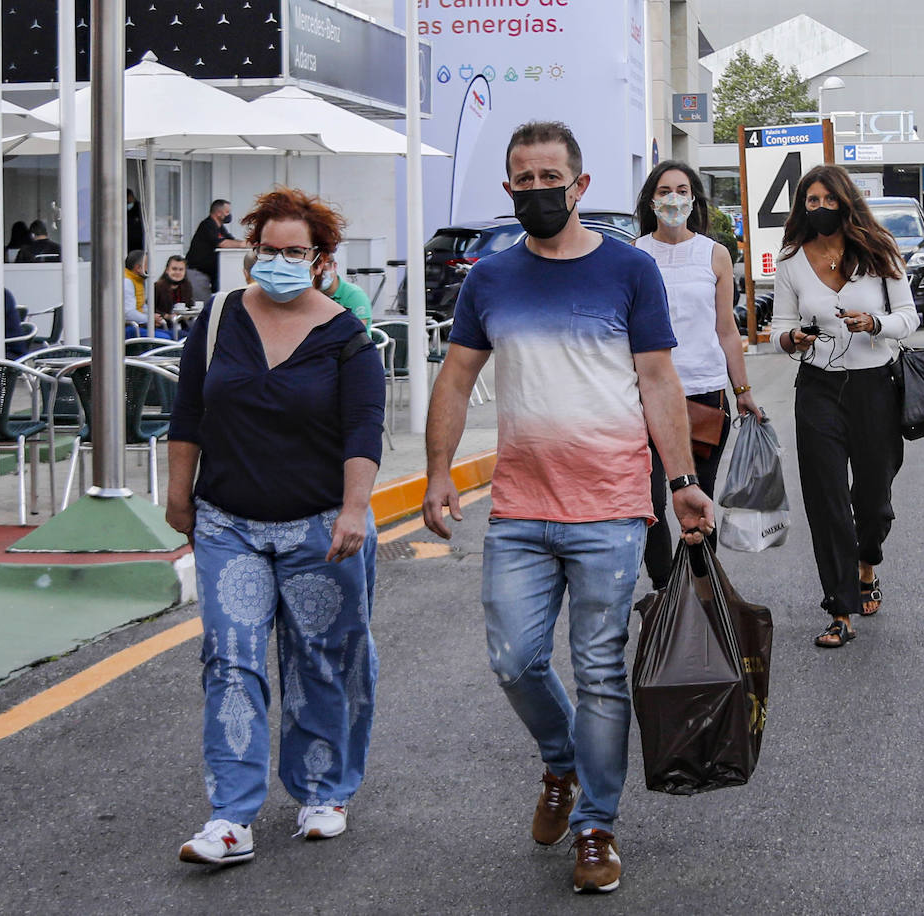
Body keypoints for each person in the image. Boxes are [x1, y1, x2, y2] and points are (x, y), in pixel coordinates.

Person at [421, 121, 713, 895]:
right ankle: (562, 764)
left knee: (598, 671)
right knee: (514, 659)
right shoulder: (490, 278)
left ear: (579, 187)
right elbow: (454, 379)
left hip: (611, 505)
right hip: (519, 504)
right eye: (524, 177)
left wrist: (681, 479)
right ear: (509, 188)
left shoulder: (628, 270)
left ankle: (596, 826)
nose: (537, 188)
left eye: (551, 176)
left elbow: (657, 379)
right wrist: (437, 470)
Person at [166, 187, 386, 867]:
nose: (282, 262)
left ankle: (323, 793)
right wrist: (180, 496)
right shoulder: (220, 316)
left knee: (321, 659)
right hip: (229, 521)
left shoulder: (347, 336)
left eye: (298, 252)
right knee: (230, 662)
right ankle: (230, 816)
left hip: (319, 526)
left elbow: (363, 429)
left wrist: (354, 509)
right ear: (251, 251)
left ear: (321, 260)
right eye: (271, 250)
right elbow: (188, 411)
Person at [772, 164, 920, 649]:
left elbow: (908, 317)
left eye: (827, 200)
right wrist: (792, 338)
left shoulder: (878, 251)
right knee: (826, 498)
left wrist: (875, 325)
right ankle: (840, 609)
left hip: (875, 386)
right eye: (810, 201)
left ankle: (867, 562)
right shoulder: (791, 259)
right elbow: (778, 328)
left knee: (873, 499)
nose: (819, 208)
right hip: (818, 388)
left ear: (845, 201)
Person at [632, 160, 764, 587]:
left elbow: (726, 329)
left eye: (682, 190)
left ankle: (700, 592)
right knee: (650, 501)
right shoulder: (636, 255)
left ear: (694, 199)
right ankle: (663, 591)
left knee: (697, 500)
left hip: (706, 396)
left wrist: (742, 389)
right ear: (652, 200)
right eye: (665, 190)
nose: (674, 199)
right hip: (647, 397)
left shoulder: (715, 254)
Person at [186, 199, 247, 297]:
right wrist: (243, 244)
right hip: (197, 272)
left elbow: (231, 240)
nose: (229, 215)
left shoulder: (219, 227)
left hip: (212, 273)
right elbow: (222, 243)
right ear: (218, 213)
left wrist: (246, 243)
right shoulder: (207, 225)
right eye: (227, 212)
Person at [123, 250, 171, 339]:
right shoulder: (127, 282)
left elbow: (142, 306)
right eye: (148, 265)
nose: (150, 268)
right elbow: (129, 313)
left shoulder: (138, 280)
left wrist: (153, 316)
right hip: (129, 327)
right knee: (165, 338)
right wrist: (149, 319)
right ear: (138, 268)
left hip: (139, 324)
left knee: (177, 334)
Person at [318, 255, 372, 330]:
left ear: (334, 266)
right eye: (315, 269)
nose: (320, 274)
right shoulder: (312, 294)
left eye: (324, 269)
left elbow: (357, 332)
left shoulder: (354, 295)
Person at [153, 254, 194, 335]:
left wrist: (188, 314)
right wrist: (167, 316)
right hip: (163, 326)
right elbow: (150, 308)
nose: (177, 272)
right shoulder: (158, 286)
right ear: (167, 270)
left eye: (181, 269)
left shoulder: (187, 286)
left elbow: (190, 305)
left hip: (182, 325)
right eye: (174, 269)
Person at [127, 189, 146, 253]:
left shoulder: (140, 207)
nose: (129, 198)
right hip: (128, 241)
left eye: (130, 196)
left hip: (138, 240)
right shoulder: (124, 208)